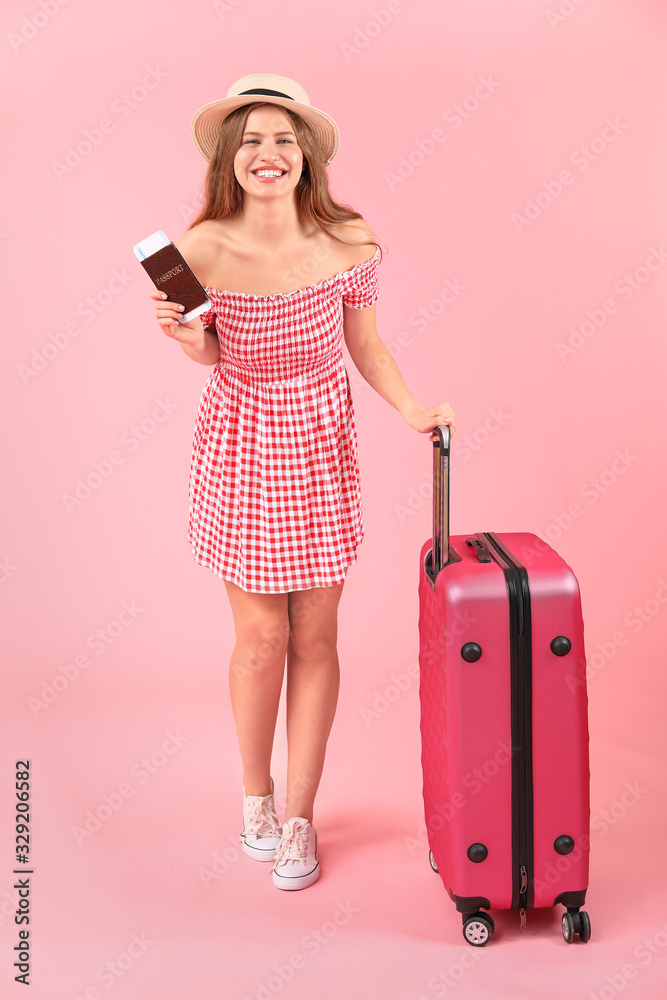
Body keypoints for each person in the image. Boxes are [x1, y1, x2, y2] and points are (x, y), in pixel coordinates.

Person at [149, 73, 456, 891]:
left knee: (315, 638)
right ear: (229, 156)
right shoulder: (195, 250)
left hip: (320, 442)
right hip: (243, 442)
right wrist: (187, 340)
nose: (268, 152)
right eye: (251, 139)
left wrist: (411, 408)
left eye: (284, 138)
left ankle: (299, 816)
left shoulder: (349, 242)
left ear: (307, 156)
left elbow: (367, 347)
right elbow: (210, 352)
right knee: (261, 639)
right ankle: (255, 798)